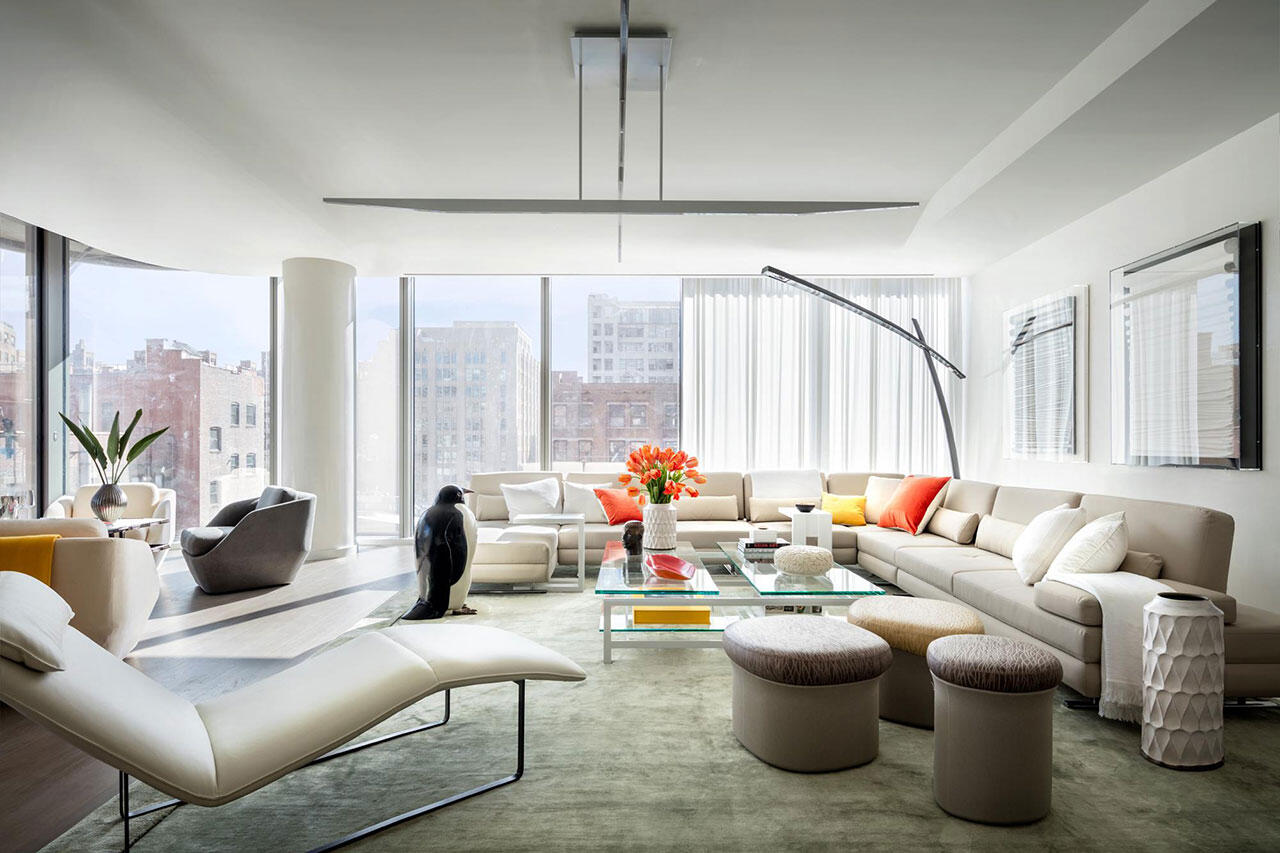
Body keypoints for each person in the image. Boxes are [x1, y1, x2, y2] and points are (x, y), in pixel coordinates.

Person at [402, 485, 478, 620]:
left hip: (432, 584)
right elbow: (452, 553)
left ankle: (430, 598)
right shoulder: (460, 513)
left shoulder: (428, 514)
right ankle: (449, 602)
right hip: (446, 584)